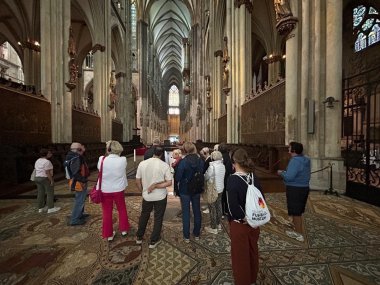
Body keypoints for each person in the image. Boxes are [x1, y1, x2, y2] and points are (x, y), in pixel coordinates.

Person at [226, 148, 263, 285]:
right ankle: (252, 279)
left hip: (240, 223)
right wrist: (253, 218)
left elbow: (232, 207)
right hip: (255, 222)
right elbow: (261, 199)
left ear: (234, 162)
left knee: (240, 256)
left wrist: (244, 218)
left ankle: (243, 281)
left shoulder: (233, 180)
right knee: (253, 251)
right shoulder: (254, 177)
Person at [135, 146, 172, 248]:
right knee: (158, 217)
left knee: (144, 215)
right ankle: (153, 241)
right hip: (160, 196)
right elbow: (169, 182)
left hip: (147, 195)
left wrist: (142, 191)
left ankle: (139, 236)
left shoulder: (142, 163)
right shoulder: (164, 165)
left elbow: (137, 181)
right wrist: (157, 185)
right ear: (161, 154)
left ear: (153, 152)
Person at [277, 141, 310, 242]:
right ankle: (295, 226)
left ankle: (299, 234)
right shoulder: (306, 159)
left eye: (289, 148)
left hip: (295, 189)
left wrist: (281, 173)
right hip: (304, 187)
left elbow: (289, 177)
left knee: (296, 212)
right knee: (297, 210)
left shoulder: (295, 161)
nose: (288, 149)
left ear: (293, 150)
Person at [98, 140, 131, 241]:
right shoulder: (123, 160)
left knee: (107, 212)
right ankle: (124, 229)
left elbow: (99, 169)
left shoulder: (102, 159)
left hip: (105, 189)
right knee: (122, 208)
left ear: (108, 149)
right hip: (118, 189)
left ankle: (108, 234)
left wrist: (108, 149)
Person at [175, 142, 204, 243]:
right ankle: (196, 234)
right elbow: (202, 173)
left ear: (185, 150)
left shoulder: (183, 162)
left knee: (186, 212)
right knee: (197, 211)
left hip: (185, 190)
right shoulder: (200, 160)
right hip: (196, 189)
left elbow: (178, 177)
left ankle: (186, 236)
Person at [65, 142, 90, 226]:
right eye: (80, 149)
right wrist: (83, 180)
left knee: (81, 199)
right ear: (76, 150)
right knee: (79, 201)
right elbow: (75, 172)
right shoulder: (75, 158)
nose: (82, 150)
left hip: (79, 181)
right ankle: (74, 219)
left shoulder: (73, 155)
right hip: (79, 182)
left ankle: (80, 214)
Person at [204, 151, 225, 234]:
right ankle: (219, 224)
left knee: (212, 208)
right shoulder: (222, 165)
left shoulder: (212, 167)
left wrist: (205, 174)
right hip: (220, 188)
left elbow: (206, 177)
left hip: (213, 189)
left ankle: (213, 227)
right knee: (219, 206)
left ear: (213, 157)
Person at [34, 148, 60, 214]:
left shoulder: (38, 160)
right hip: (45, 178)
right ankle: (51, 208)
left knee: (40, 193)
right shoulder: (47, 162)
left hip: (37, 178)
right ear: (46, 154)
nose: (50, 154)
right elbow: (47, 172)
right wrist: (51, 180)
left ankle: (41, 208)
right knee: (49, 193)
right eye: (49, 153)